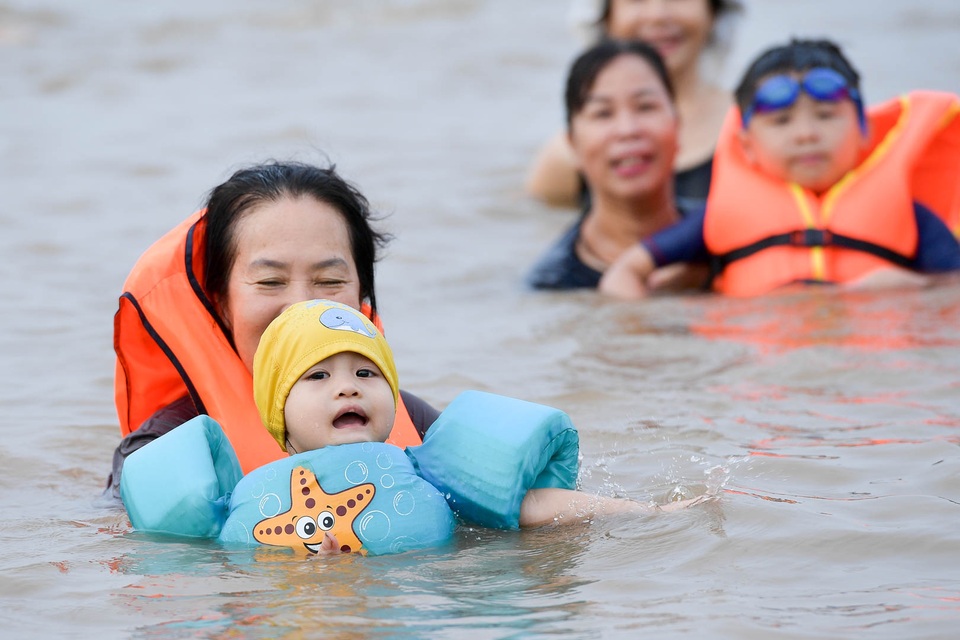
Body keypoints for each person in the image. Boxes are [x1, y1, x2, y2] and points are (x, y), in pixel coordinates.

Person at [252, 299, 704, 553]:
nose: (347, 389)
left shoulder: (426, 476)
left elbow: (532, 506)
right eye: (318, 376)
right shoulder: (258, 503)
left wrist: (648, 514)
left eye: (366, 374)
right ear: (280, 414)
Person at [106, 161, 440, 499]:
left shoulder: (423, 429)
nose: (301, 306)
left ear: (361, 298)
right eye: (270, 281)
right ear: (222, 303)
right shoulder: (161, 449)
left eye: (329, 281)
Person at [598, 39, 960, 299]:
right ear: (747, 145)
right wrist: (639, 332)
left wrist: (916, 287)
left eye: (826, 116)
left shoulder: (908, 217)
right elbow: (626, 271)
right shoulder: (721, 218)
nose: (806, 135)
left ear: (864, 130)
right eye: (782, 121)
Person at [527, 38, 709, 291]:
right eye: (603, 113)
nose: (628, 130)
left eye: (645, 107)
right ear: (573, 145)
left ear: (677, 127)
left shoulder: (728, 236)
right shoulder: (553, 287)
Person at [526, 0, 743, 208]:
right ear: (604, 17)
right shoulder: (566, 158)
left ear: (714, 10)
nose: (658, 15)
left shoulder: (755, 125)